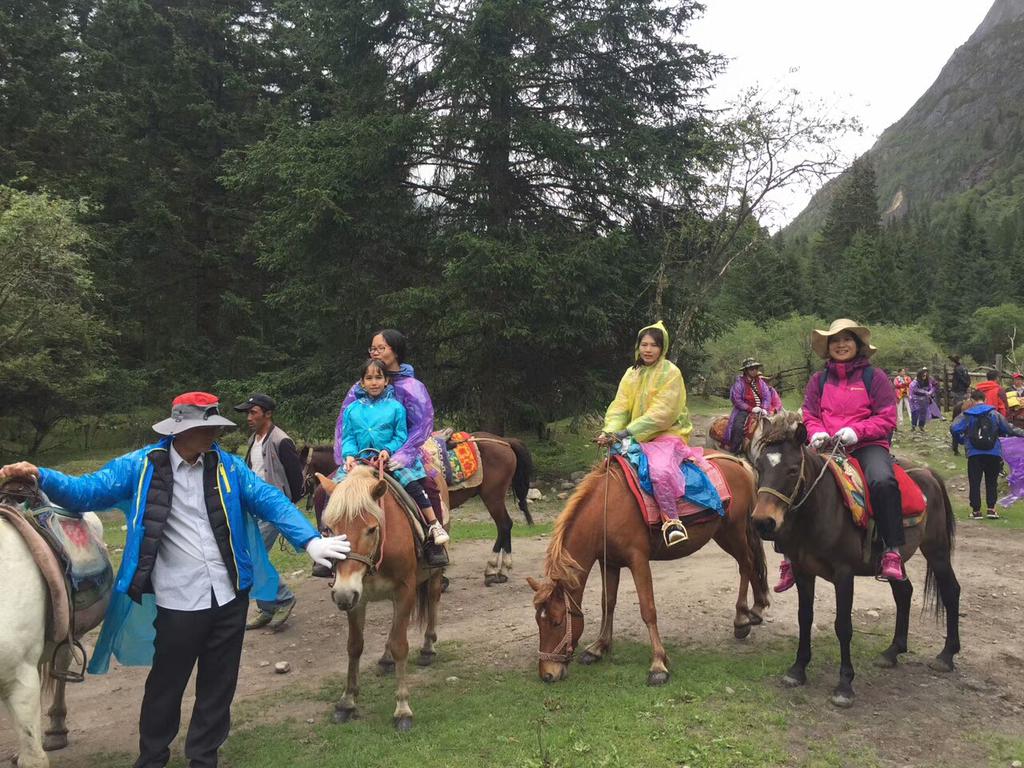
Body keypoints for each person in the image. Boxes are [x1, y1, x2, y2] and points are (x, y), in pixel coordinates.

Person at [0, 392, 351, 768]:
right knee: (166, 686)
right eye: (207, 427)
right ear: (182, 430)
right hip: (178, 602)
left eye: (215, 427)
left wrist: (310, 538)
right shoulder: (140, 466)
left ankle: (203, 757)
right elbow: (86, 491)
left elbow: (268, 498)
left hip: (230, 597)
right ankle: (152, 758)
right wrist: (39, 474)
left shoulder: (227, 467)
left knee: (218, 687)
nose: (214, 434)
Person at [775, 318, 902, 592]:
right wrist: (816, 431)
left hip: (866, 445)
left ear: (858, 345)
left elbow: (887, 417)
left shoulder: (875, 378)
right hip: (825, 444)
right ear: (828, 347)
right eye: (835, 340)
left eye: (847, 339)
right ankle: (788, 556)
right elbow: (809, 413)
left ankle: (892, 550)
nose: (841, 344)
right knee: (784, 478)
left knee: (882, 480)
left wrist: (857, 431)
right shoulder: (818, 380)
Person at [597, 321, 694, 546]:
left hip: (668, 434)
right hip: (632, 435)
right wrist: (610, 431)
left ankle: (672, 522)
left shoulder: (671, 373)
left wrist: (626, 432)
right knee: (608, 467)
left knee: (659, 470)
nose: (648, 350)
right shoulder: (632, 373)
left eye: (654, 345)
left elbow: (663, 414)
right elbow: (619, 406)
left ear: (663, 348)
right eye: (644, 344)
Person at [340, 359, 449, 546]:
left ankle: (433, 524)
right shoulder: (351, 410)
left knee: (412, 483)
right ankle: (329, 532)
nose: (374, 382)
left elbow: (400, 435)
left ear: (386, 381)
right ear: (362, 382)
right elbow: (348, 436)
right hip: (361, 461)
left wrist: (387, 450)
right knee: (335, 490)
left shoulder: (396, 408)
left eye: (378, 377)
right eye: (369, 378)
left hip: (390, 459)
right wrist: (349, 455)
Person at [234, 393, 305, 632]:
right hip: (255, 508)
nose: (249, 418)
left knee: (251, 556)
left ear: (268, 413)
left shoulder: (281, 440)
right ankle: (267, 607)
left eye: (253, 412)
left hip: (274, 508)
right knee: (250, 556)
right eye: (247, 413)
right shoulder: (254, 440)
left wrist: (286, 507)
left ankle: (283, 598)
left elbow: (297, 480)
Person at [951, 389, 1024, 519]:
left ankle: (976, 511)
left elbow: (954, 428)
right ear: (985, 400)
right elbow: (1008, 428)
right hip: (994, 452)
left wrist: (962, 440)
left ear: (972, 400)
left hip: (974, 453)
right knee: (991, 482)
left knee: (975, 482)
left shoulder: (967, 415)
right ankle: (991, 509)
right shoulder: (994, 414)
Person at [725, 358, 782, 453]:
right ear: (746, 371)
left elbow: (766, 396)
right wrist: (751, 408)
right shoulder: (739, 383)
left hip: (761, 410)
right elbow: (736, 400)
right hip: (744, 410)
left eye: (756, 368)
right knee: (738, 427)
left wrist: (764, 408)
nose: (755, 370)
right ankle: (734, 450)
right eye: (752, 368)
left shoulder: (760, 382)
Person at [908, 368, 939, 432]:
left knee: (923, 413)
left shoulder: (927, 381)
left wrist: (930, 392)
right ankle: (913, 426)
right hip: (915, 400)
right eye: (923, 376)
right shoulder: (915, 382)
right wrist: (925, 392)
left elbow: (932, 387)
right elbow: (914, 390)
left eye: (925, 375)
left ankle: (921, 426)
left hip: (924, 400)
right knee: (915, 412)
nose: (924, 377)